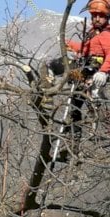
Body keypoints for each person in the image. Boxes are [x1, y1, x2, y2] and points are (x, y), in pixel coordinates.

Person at [45, 0, 110, 158]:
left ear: (107, 16)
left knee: (90, 107)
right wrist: (68, 44)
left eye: (100, 16)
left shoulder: (107, 34)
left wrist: (103, 71)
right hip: (84, 70)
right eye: (94, 15)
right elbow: (85, 49)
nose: (96, 18)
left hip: (93, 72)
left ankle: (77, 143)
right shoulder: (92, 33)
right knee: (75, 106)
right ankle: (71, 146)